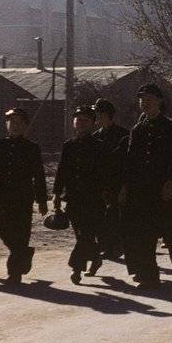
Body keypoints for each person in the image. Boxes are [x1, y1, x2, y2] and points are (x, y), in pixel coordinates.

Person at [120, 84, 172, 289]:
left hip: (164, 188)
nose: (144, 103)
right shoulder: (138, 129)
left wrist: (170, 181)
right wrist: (125, 186)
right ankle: (150, 275)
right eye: (142, 100)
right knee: (144, 232)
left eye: (148, 99)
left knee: (169, 229)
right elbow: (131, 161)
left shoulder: (171, 127)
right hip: (142, 189)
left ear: (159, 101)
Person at [0, 108, 48, 285]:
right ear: (6, 125)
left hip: (23, 197)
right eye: (11, 122)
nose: (14, 126)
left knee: (21, 233)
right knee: (4, 232)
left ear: (25, 125)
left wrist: (42, 200)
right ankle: (24, 252)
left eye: (18, 122)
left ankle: (14, 273)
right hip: (3, 196)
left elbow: (39, 175)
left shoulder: (31, 148)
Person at [53, 106, 107, 284]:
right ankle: (96, 258)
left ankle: (76, 268)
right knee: (82, 235)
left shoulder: (99, 147)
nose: (80, 123)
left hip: (93, 199)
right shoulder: (69, 146)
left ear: (93, 123)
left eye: (85, 120)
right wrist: (56, 194)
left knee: (85, 235)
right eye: (78, 119)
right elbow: (62, 172)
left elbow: (105, 173)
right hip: (74, 199)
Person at [92, 98, 129, 261]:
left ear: (106, 115)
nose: (96, 117)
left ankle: (116, 246)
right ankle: (107, 246)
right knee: (102, 217)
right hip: (101, 184)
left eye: (98, 114)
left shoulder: (123, 135)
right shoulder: (95, 137)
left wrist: (125, 186)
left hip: (118, 183)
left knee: (116, 216)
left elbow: (128, 162)